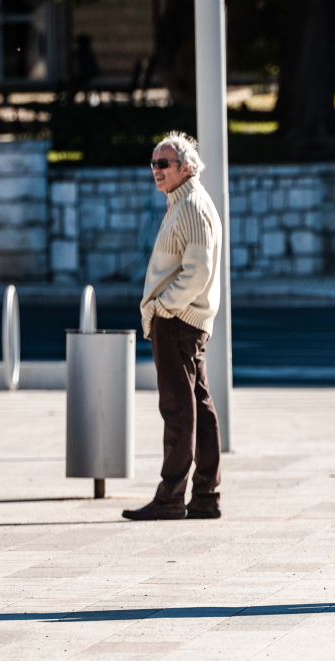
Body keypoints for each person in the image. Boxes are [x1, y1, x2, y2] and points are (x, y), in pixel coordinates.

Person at [122, 132, 223, 521]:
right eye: (153, 163)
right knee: (198, 406)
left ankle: (170, 497)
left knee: (178, 410)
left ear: (187, 167)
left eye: (163, 163)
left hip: (178, 321)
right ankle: (205, 496)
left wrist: (164, 308)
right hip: (181, 320)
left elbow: (198, 272)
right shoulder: (182, 203)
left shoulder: (192, 206)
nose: (156, 170)